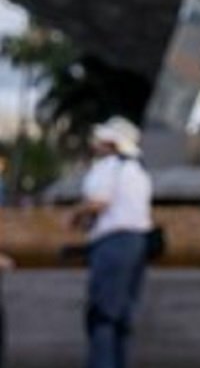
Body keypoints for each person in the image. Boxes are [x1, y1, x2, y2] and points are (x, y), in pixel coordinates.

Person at [68, 116, 153, 368]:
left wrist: (76, 214)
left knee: (103, 315)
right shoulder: (138, 170)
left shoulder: (108, 167)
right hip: (138, 243)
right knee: (122, 317)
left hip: (112, 243)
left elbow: (99, 201)